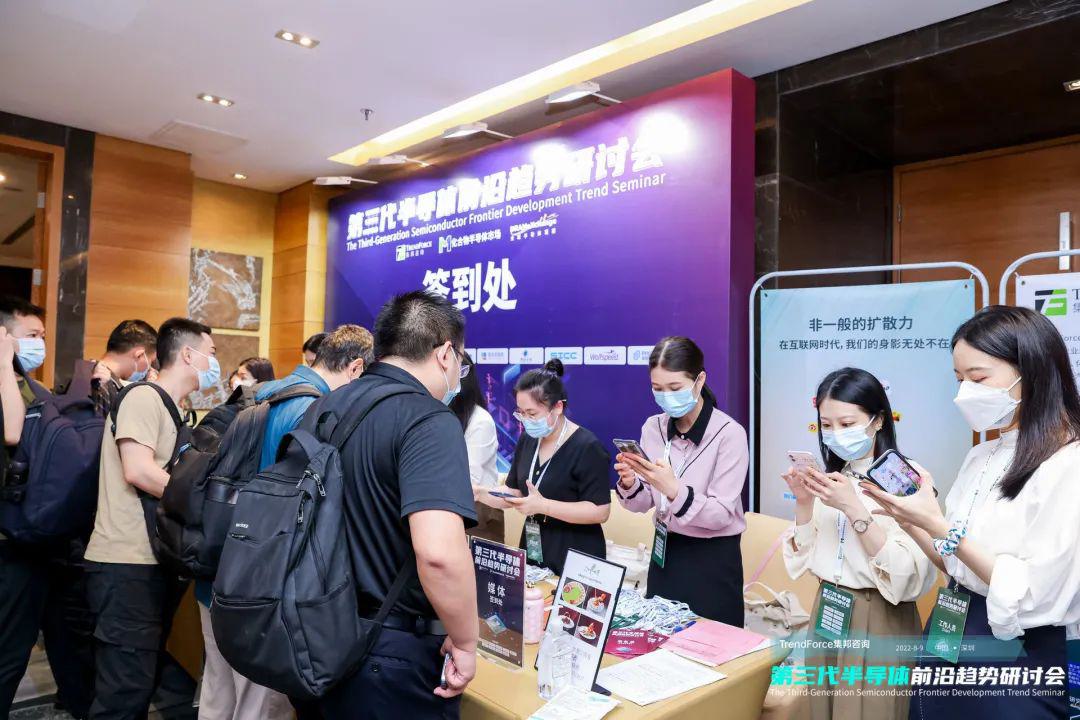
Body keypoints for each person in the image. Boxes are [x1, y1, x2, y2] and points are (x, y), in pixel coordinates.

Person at [866, 306, 1078, 719]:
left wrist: (939, 525)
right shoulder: (982, 454)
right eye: (959, 380)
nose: (964, 393)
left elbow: (1038, 592)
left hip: (1015, 651)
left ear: (1032, 371)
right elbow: (954, 563)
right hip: (949, 626)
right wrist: (911, 520)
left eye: (978, 379)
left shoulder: (1068, 462)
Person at [194, 324, 372, 720]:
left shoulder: (261, 395)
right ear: (356, 368)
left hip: (221, 574)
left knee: (218, 696)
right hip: (266, 590)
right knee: (260, 708)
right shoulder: (315, 410)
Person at [316, 291, 478, 718]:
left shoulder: (326, 405)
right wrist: (465, 642)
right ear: (445, 354)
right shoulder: (429, 420)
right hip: (388, 653)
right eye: (461, 360)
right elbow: (439, 554)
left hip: (317, 632)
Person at [781, 367, 936, 720]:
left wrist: (854, 509)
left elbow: (911, 575)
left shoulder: (906, 480)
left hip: (878, 614)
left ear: (878, 420)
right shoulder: (836, 476)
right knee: (822, 710)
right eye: (827, 424)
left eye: (847, 423)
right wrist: (804, 502)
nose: (835, 434)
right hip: (828, 609)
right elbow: (804, 557)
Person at [83, 318, 218, 720]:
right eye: (211, 353)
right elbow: (139, 470)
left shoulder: (171, 407)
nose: (214, 363)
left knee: (138, 684)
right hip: (125, 564)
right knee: (123, 692)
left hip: (148, 562)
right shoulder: (144, 397)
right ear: (188, 354)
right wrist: (203, 501)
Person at [613, 336, 750, 624]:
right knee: (659, 638)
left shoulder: (729, 434)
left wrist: (673, 489)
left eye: (675, 388)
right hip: (664, 553)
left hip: (711, 560)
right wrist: (630, 483)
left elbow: (720, 515)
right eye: (657, 388)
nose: (666, 397)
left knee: (711, 646)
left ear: (699, 381)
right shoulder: (653, 427)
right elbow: (644, 503)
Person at [479, 359, 611, 576]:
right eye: (520, 413)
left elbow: (600, 511)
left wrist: (543, 506)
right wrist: (478, 492)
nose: (525, 420)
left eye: (532, 414)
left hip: (577, 556)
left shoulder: (587, 446)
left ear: (557, 407)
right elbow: (514, 492)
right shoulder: (528, 439)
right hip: (534, 550)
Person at [0, 297, 54, 713]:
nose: (40, 344)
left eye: (43, 335)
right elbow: (13, 432)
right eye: (32, 335)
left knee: (13, 647)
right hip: (7, 542)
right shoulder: (10, 385)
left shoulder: (33, 389)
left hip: (21, 535)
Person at [449, 352, 502, 543]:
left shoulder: (480, 420)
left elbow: (471, 479)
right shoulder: (442, 414)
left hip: (479, 514)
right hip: (449, 509)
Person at [89, 319, 159, 416]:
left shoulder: (88, 370)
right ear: (139, 355)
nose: (149, 369)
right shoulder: (102, 384)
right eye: (150, 361)